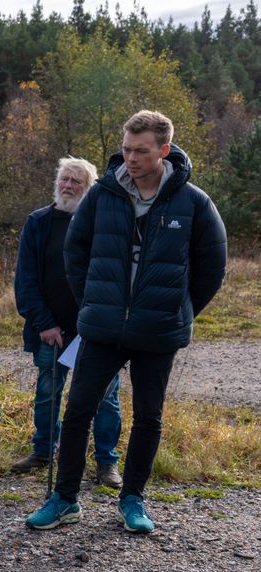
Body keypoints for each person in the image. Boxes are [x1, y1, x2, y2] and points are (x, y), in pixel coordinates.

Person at [25, 110, 227, 534]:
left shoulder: (193, 202)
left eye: (141, 151)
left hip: (157, 331)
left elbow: (212, 267)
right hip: (102, 328)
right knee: (78, 410)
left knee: (149, 416)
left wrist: (177, 309)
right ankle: (64, 500)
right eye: (126, 149)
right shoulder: (102, 195)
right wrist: (95, 303)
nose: (130, 158)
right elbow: (74, 253)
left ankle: (132, 500)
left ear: (164, 151)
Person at [11, 157, 123, 488]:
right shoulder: (39, 222)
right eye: (64, 179)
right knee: (49, 392)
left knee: (106, 398)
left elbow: (117, 279)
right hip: (52, 331)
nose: (67, 185)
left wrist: (108, 324)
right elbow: (26, 280)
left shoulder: (103, 223)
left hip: (98, 332)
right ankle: (44, 452)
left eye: (76, 181)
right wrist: (44, 323)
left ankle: (106, 463)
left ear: (89, 189)